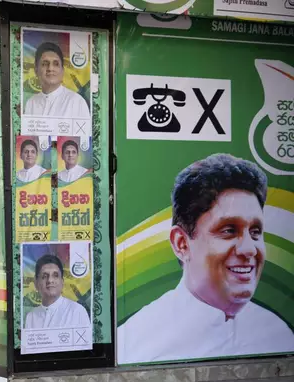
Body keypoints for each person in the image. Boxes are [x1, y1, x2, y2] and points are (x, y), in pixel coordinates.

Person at [117, 154, 294, 364]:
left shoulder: (276, 331)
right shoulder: (138, 342)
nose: (249, 250)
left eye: (255, 232)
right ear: (181, 244)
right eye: (228, 230)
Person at [24, 42, 90, 118]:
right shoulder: (31, 103)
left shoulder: (76, 102)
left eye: (56, 64)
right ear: (36, 70)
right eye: (45, 64)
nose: (50, 68)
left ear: (63, 71)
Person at [24, 254, 89, 329]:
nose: (50, 280)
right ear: (36, 283)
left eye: (55, 275)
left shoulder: (77, 311)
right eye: (44, 276)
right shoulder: (31, 316)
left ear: (62, 282)